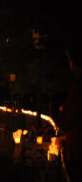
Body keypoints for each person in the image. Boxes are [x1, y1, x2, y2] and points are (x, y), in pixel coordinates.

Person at [55, 46, 82, 182]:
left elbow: (65, 121)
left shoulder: (78, 90)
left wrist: (53, 109)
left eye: (70, 60)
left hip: (78, 154)